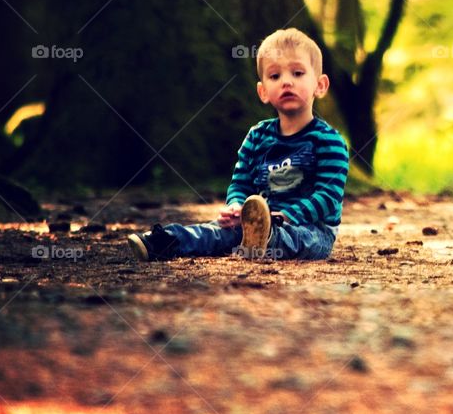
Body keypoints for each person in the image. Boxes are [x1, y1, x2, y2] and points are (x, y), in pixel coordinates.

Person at [127, 28, 349, 262]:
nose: (286, 82)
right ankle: (167, 241)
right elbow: (241, 184)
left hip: (312, 229)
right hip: (254, 224)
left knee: (299, 240)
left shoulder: (329, 141)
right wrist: (236, 207)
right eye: (275, 76)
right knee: (216, 231)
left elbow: (328, 196)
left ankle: (264, 239)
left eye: (297, 73)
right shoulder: (257, 136)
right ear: (263, 92)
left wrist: (282, 217)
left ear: (320, 85)